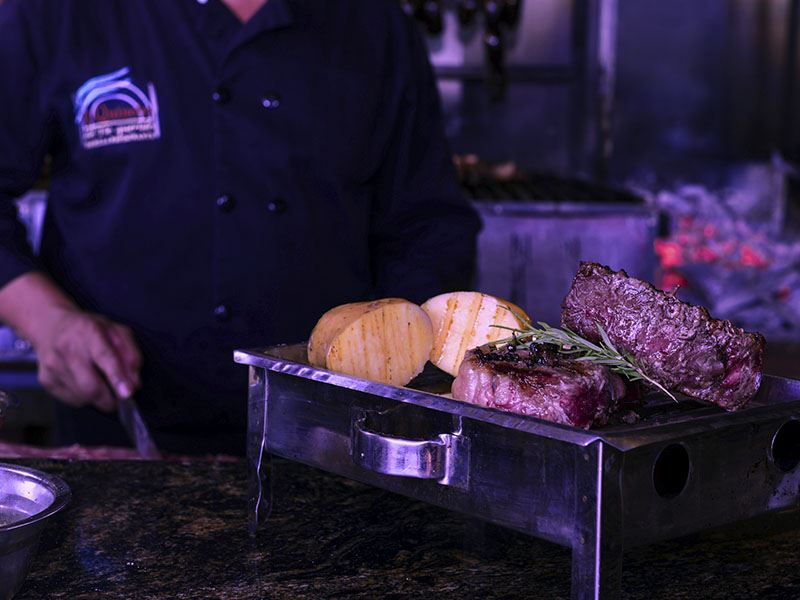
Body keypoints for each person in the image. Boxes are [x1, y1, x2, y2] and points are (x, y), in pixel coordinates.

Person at [0, 0, 480, 455]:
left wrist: (394, 380)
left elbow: (427, 225)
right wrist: (50, 322)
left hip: (333, 439)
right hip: (118, 429)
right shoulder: (58, 12)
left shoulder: (374, 25)